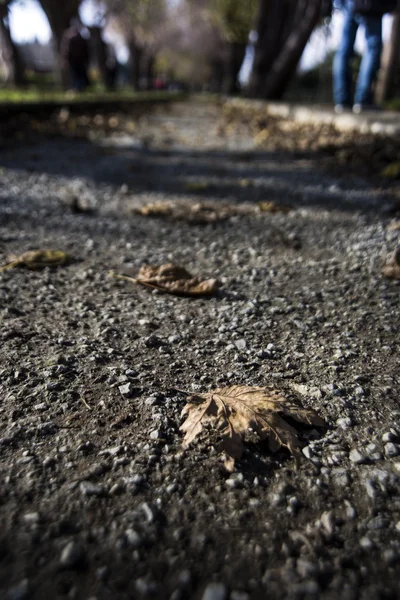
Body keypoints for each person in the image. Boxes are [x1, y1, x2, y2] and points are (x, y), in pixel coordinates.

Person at [333, 0, 397, 114]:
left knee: (344, 50)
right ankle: (363, 100)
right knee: (372, 49)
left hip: (349, 3)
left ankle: (342, 101)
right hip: (371, 6)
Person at [61, 19, 90, 92]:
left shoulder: (71, 38)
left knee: (77, 75)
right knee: (76, 75)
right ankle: (78, 88)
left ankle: (78, 88)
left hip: (77, 61)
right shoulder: (76, 38)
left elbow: (66, 51)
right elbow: (66, 51)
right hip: (76, 61)